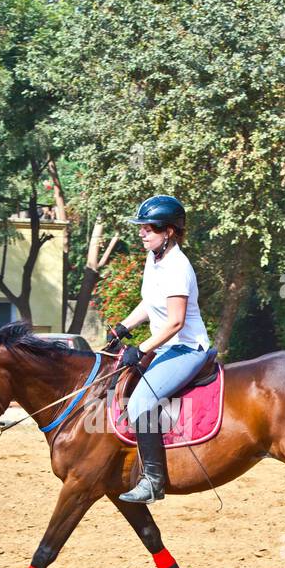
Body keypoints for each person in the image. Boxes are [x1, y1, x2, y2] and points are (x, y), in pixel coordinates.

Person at [107, 194, 211, 504]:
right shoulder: (155, 260)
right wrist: (124, 327)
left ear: (168, 231)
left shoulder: (177, 266)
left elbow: (176, 322)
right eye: (141, 228)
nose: (142, 233)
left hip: (186, 349)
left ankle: (153, 481)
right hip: (166, 348)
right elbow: (151, 303)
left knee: (140, 403)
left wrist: (140, 348)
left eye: (149, 228)